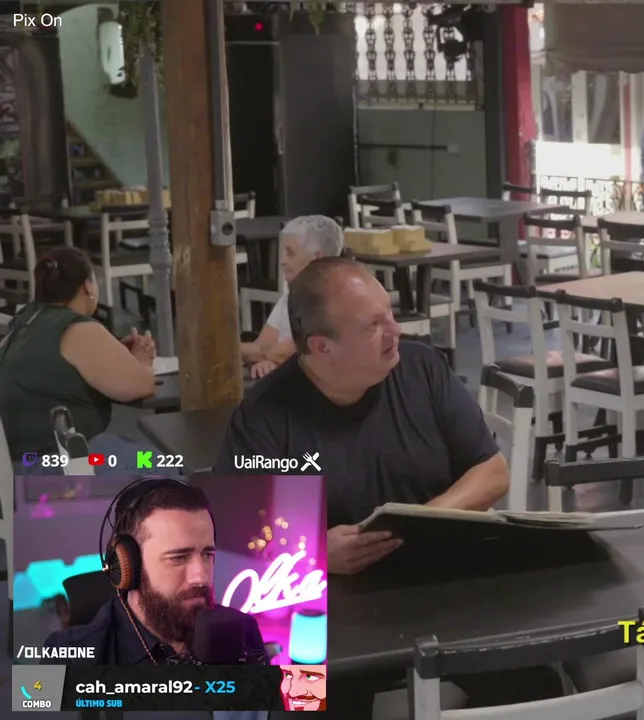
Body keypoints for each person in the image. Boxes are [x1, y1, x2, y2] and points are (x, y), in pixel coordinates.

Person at [214, 258, 548, 714]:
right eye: (373, 326)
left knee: (536, 684)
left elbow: (491, 471)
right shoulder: (267, 417)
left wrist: (424, 519)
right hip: (325, 606)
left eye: (389, 314)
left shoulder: (422, 368)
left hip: (443, 584)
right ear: (321, 347)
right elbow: (233, 545)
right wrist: (316, 555)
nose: (395, 331)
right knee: (305, 704)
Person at [42, 480, 268, 667]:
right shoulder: (68, 656)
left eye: (207, 554)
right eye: (178, 557)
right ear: (127, 565)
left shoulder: (243, 631)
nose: (201, 577)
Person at [0, 246, 161, 475]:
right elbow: (140, 385)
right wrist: (142, 361)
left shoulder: (25, 322)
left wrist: (118, 353)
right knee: (160, 461)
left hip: (15, 466)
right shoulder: (77, 328)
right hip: (61, 466)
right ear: (88, 287)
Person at [240, 215, 346, 379]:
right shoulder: (291, 296)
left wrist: (232, 351)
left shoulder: (332, 303)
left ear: (317, 257)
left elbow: (285, 354)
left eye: (290, 254)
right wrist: (267, 360)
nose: (282, 261)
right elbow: (263, 346)